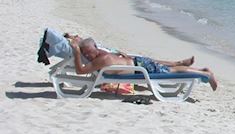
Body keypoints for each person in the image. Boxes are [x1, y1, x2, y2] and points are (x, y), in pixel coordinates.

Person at [69, 37, 218, 90]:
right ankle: (201, 69)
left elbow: (80, 71)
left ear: (95, 48)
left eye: (89, 52)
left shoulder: (101, 59)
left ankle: (205, 74)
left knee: (172, 71)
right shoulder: (101, 53)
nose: (88, 55)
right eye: (85, 53)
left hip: (140, 68)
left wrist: (76, 53)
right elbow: (85, 43)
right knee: (168, 68)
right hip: (138, 64)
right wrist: (77, 45)